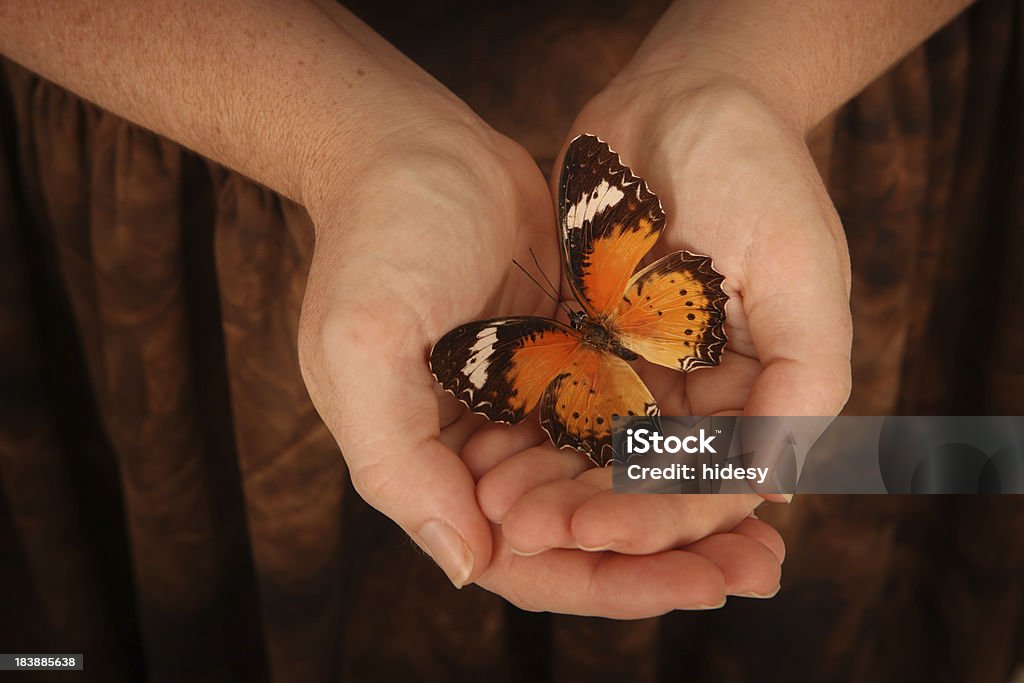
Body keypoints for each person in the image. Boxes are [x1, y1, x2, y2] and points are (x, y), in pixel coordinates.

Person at [0, 0, 971, 618]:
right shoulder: (572, 294)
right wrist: (339, 142)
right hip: (213, 114)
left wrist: (745, 74)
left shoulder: (537, 336)